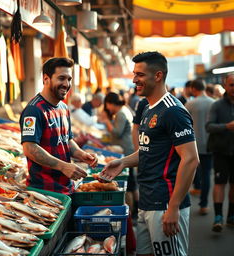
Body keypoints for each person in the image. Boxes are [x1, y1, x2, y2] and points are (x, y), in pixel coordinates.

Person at [100, 51, 199, 256]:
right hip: (147, 201)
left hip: (164, 203)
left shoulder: (173, 111)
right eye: (134, 74)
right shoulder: (148, 107)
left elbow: (190, 159)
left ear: (158, 76)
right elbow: (147, 150)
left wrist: (173, 206)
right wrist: (123, 162)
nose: (135, 79)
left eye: (140, 75)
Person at [20, 57, 98, 195]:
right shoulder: (34, 110)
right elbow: (29, 148)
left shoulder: (63, 108)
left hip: (66, 187)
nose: (66, 84)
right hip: (44, 191)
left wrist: (81, 154)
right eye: (61, 78)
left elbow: (67, 140)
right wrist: (63, 166)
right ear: (46, 79)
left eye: (69, 79)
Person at [206, 73, 234, 232]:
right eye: (231, 85)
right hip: (221, 151)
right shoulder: (216, 105)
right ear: (225, 86)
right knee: (220, 183)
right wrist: (227, 127)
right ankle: (218, 217)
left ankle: (231, 215)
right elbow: (208, 126)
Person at [185, 79, 215, 215]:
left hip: (192, 145)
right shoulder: (214, 103)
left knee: (190, 171)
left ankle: (183, 202)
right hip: (209, 144)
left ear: (193, 88)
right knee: (207, 173)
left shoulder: (190, 104)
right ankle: (204, 204)